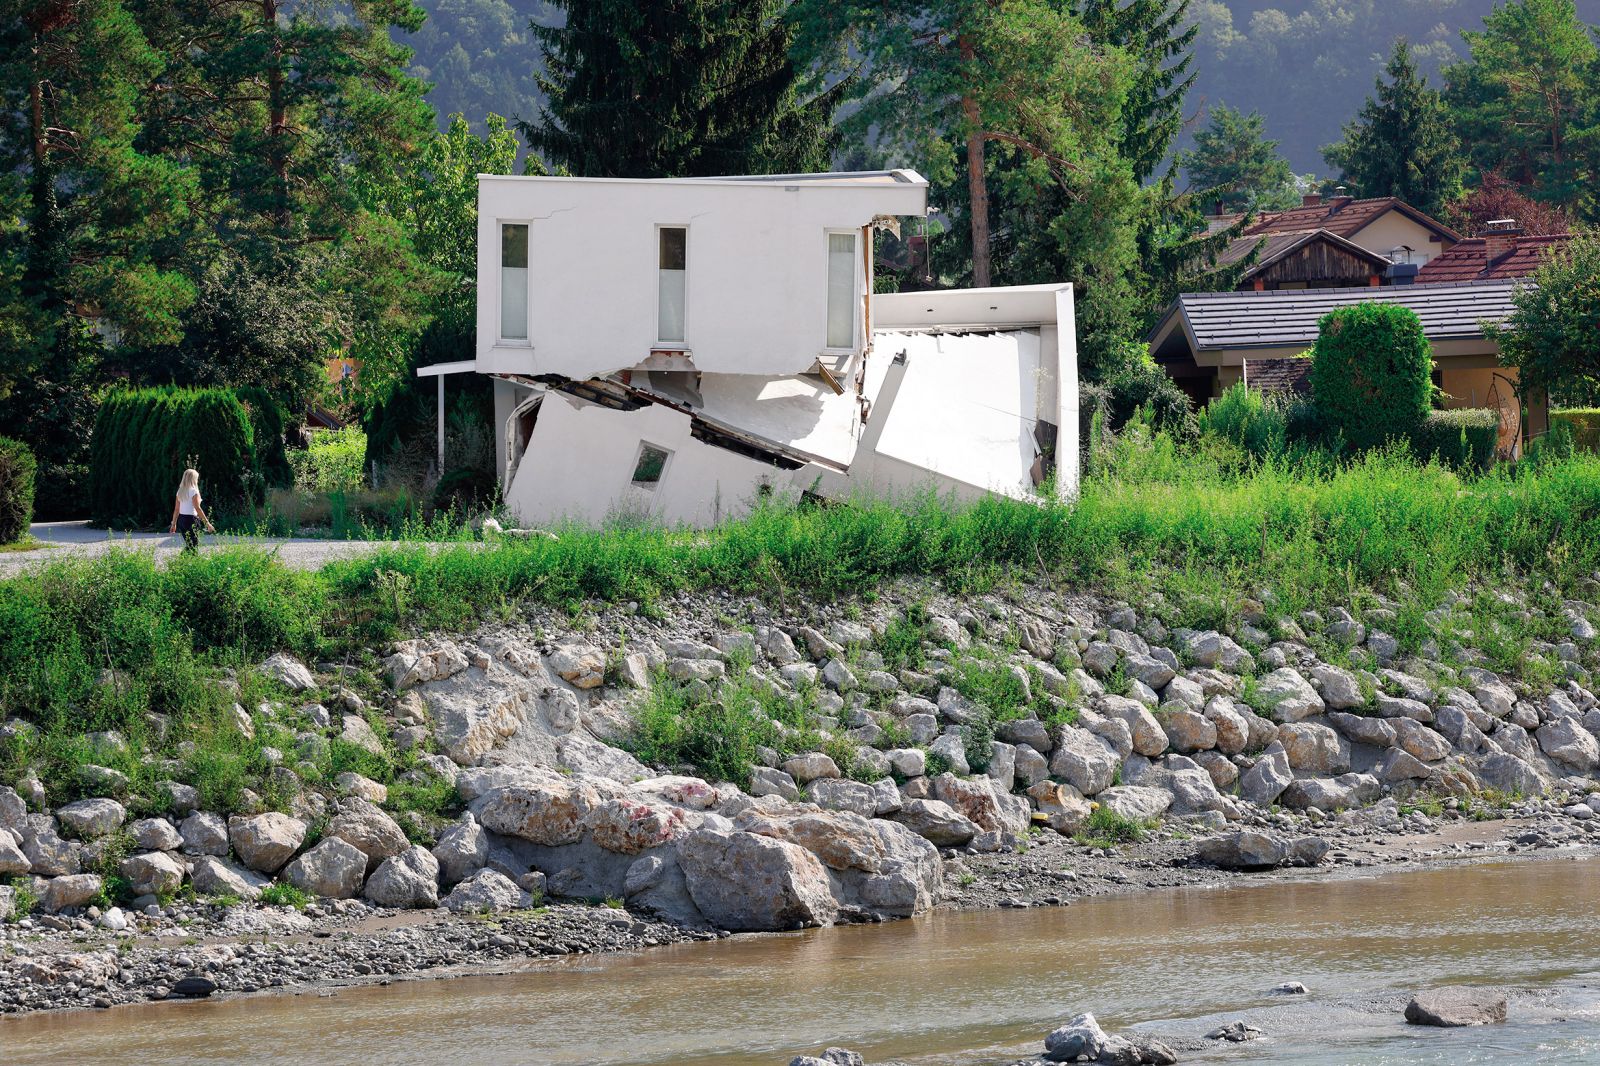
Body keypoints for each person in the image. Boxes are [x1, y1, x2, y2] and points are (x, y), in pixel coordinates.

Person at [168, 468, 215, 552]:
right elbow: (198, 508)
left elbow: (176, 509)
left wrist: (173, 524)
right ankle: (187, 562)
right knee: (193, 545)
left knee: (189, 544)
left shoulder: (180, 491)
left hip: (181, 520)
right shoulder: (193, 491)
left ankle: (183, 562)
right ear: (193, 479)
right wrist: (207, 524)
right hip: (191, 520)